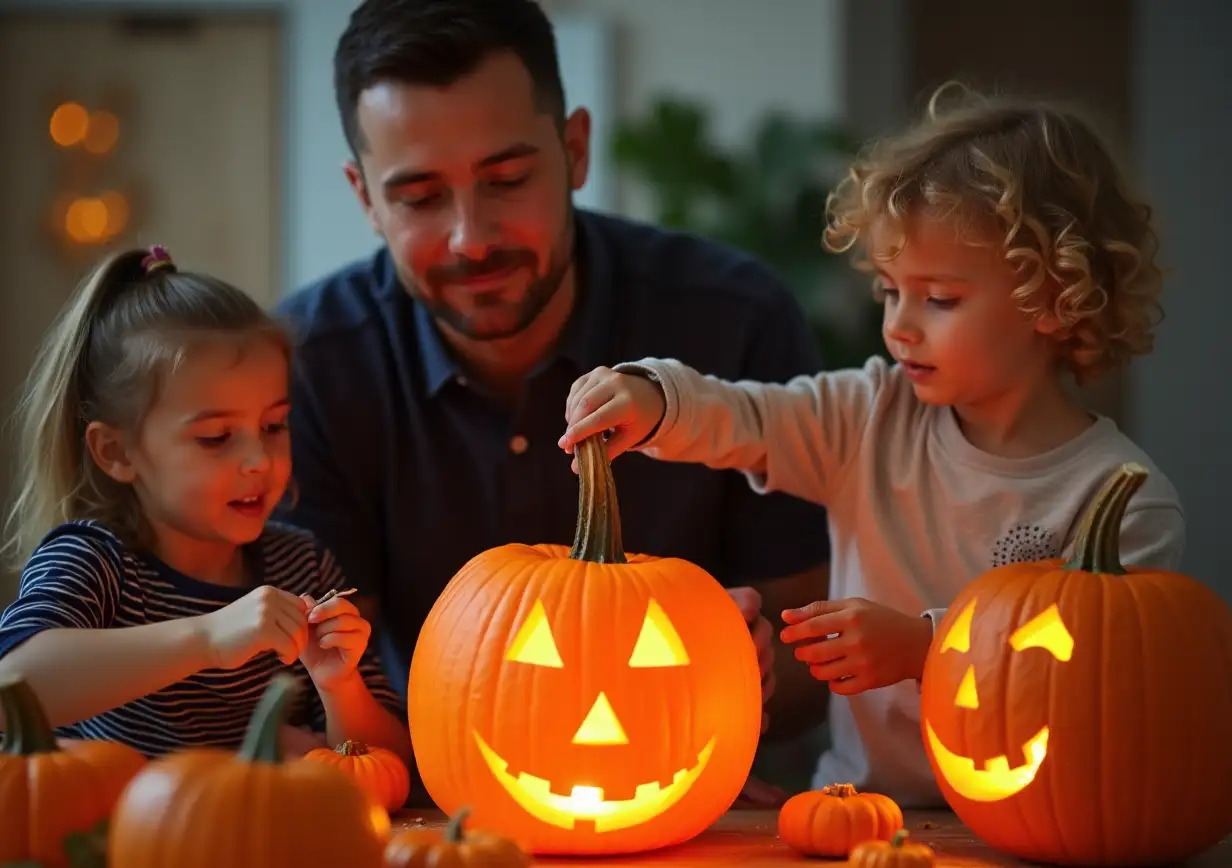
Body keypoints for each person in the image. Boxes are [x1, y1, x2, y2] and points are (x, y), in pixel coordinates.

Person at [557, 85, 1185, 808]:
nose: (900, 326)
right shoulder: (868, 415)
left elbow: (1098, 675)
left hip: (1037, 828)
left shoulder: (1125, 499)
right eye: (890, 291)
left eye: (939, 299)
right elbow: (747, 416)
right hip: (854, 809)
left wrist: (925, 648)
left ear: (1053, 298)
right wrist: (655, 397)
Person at [274, 0, 833, 783]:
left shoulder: (736, 321)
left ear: (575, 149)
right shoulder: (305, 366)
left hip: (695, 811)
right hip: (424, 807)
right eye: (420, 197)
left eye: (506, 179)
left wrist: (758, 671)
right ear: (365, 197)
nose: (472, 237)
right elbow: (317, 682)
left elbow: (815, 669)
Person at [0, 246, 411, 765]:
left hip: (251, 840)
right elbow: (11, 684)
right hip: (108, 841)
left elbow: (394, 765)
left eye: (273, 426)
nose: (259, 460)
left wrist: (339, 686)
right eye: (216, 437)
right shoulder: (95, 562)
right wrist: (208, 636)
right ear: (118, 452)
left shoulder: (302, 565)